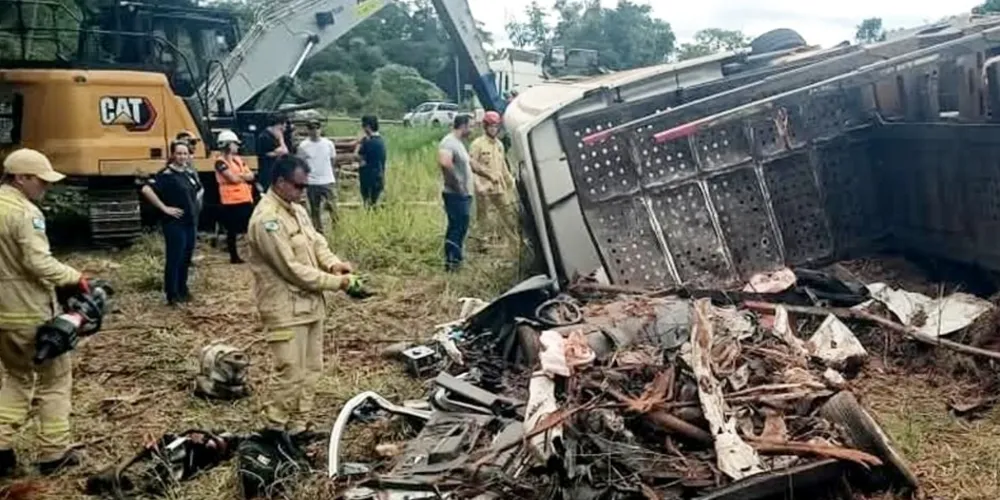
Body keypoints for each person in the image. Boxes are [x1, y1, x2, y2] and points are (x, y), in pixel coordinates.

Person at [246, 155, 356, 432]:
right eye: (298, 186)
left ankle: (298, 425)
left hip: (309, 305)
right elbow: (291, 269)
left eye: (305, 186)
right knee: (290, 372)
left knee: (311, 370)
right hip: (284, 309)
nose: (303, 192)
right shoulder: (266, 220)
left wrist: (333, 263)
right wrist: (336, 282)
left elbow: (317, 241)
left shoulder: (297, 209)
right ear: (281, 182)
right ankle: (274, 429)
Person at [0, 148, 92, 476]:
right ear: (20, 177)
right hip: (28, 310)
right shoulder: (24, 213)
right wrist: (74, 277)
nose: (45, 188)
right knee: (55, 379)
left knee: (16, 376)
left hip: (3, 315)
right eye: (40, 181)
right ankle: (55, 451)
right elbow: (37, 261)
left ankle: (1, 447)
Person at [140, 140, 202, 306]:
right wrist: (164, 208)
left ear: (189, 155)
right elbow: (146, 189)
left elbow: (197, 192)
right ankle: (172, 294)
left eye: (185, 153)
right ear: (173, 155)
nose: (182, 156)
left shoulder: (188, 173)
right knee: (175, 258)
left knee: (186, 258)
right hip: (174, 223)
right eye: (179, 153)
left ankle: (183, 288)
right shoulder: (166, 175)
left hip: (190, 222)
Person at [469, 111, 515, 237]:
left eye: (496, 126)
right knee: (483, 217)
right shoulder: (477, 144)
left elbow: (502, 166)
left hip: (499, 187)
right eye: (491, 126)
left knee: (507, 212)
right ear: (485, 127)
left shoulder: (499, 145)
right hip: (484, 188)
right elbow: (472, 166)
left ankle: (512, 238)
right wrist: (478, 185)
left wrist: (510, 181)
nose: (494, 129)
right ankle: (482, 241)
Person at [438, 114, 474, 272]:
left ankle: (456, 260)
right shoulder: (449, 142)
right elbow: (445, 163)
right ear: (464, 126)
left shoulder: (459, 143)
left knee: (460, 227)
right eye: (471, 126)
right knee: (457, 227)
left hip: (463, 194)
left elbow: (468, 164)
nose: (472, 129)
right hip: (455, 194)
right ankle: (452, 263)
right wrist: (458, 185)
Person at [213, 129, 255, 264]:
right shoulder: (220, 162)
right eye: (235, 144)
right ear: (228, 145)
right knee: (232, 231)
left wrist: (240, 176)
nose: (237, 146)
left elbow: (251, 176)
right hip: (230, 201)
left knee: (251, 228)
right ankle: (234, 256)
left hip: (245, 198)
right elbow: (233, 179)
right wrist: (243, 176)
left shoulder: (238, 160)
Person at [296, 119, 338, 232]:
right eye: (311, 128)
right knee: (315, 209)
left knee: (333, 207)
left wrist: (331, 175)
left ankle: (337, 229)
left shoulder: (329, 144)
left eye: (317, 128)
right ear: (308, 130)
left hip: (327, 180)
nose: (315, 131)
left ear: (320, 129)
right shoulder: (303, 146)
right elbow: (301, 164)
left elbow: (333, 160)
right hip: (312, 182)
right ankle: (318, 231)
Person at [356, 115, 386, 208]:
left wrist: (358, 142)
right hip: (379, 176)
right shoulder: (381, 141)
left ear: (368, 127)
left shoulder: (367, 142)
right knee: (374, 202)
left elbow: (356, 156)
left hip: (367, 177)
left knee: (367, 203)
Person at [256, 115, 289, 193]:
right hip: (267, 173)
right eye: (282, 128)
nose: (284, 131)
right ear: (278, 126)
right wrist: (281, 139)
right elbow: (284, 151)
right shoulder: (265, 137)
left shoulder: (275, 137)